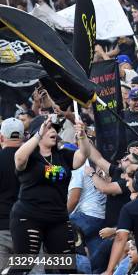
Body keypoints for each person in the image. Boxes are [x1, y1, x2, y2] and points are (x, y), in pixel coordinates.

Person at [10, 115, 90, 273]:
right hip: (29, 218)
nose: (54, 131)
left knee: (67, 268)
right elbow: (18, 158)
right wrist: (37, 134)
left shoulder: (63, 155)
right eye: (49, 128)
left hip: (57, 219)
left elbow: (83, 155)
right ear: (37, 133)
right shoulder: (29, 157)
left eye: (55, 128)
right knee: (22, 266)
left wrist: (82, 136)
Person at [68, 158, 107, 258]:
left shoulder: (77, 168)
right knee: (95, 260)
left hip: (87, 216)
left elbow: (74, 199)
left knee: (55, 232)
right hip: (99, 217)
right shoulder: (89, 164)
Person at [0, 118, 24, 272]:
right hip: (30, 230)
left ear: (1, 137)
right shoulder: (37, 160)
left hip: (1, 229)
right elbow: (61, 174)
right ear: (23, 136)